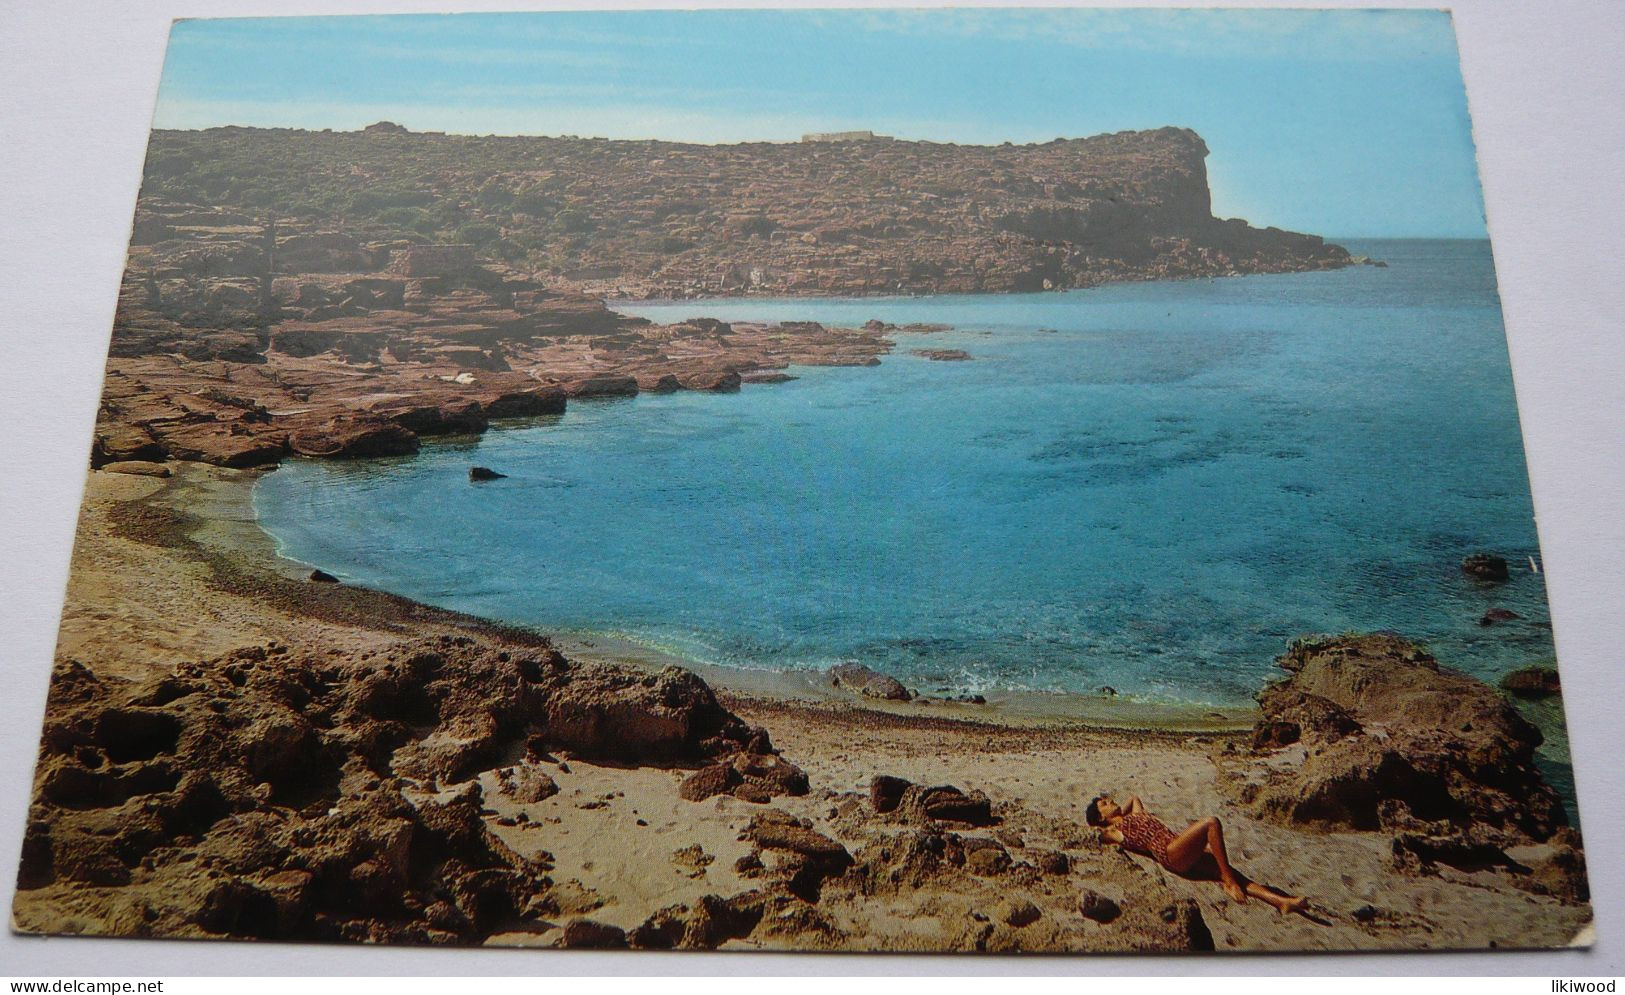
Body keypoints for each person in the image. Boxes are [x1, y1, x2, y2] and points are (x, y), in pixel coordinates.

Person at [1085, 793, 1309, 915]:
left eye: (1109, 798)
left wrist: (1117, 813)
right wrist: (1105, 824)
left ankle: (1280, 902)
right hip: (1169, 853)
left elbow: (1133, 797)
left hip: (1179, 846)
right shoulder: (1114, 831)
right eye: (1105, 803)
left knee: (1228, 870)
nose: (1111, 800)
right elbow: (1102, 836)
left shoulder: (1135, 814)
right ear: (1101, 818)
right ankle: (1229, 882)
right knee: (1211, 823)